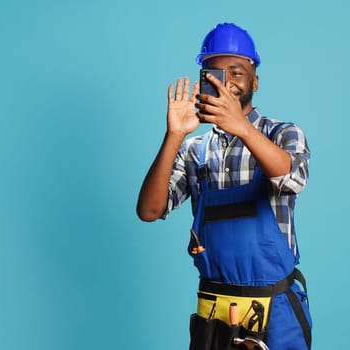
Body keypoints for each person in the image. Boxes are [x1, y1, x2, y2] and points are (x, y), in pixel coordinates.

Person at [136, 23, 312, 350]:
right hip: (214, 312)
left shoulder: (282, 134)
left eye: (237, 72)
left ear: (255, 81)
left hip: (274, 311)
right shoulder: (194, 150)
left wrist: (242, 128)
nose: (226, 82)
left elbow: (293, 178)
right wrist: (174, 135)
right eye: (214, 72)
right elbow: (149, 210)